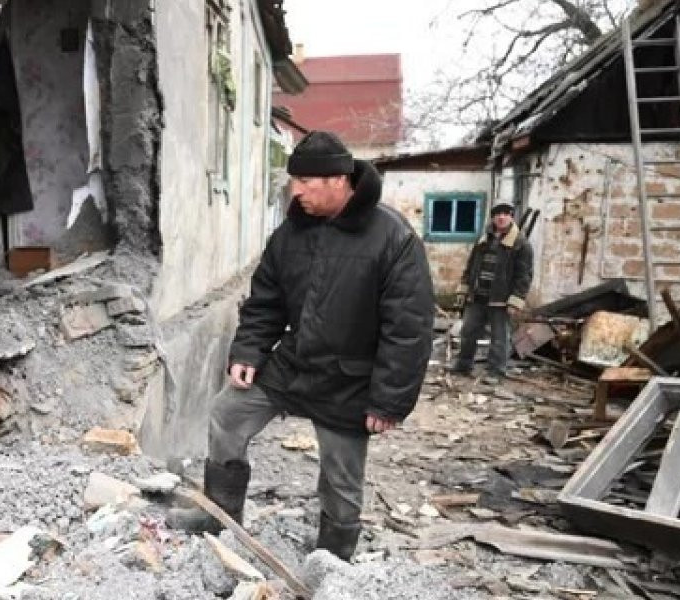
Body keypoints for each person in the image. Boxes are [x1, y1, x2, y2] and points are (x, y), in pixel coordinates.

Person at [167, 131, 435, 561]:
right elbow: (265, 301)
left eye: (305, 182)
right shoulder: (290, 235)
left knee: (341, 478)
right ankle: (220, 514)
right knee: (227, 414)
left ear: (338, 180)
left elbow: (409, 329)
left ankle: (332, 558)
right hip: (293, 365)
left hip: (350, 379)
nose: (296, 191)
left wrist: (389, 401)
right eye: (295, 180)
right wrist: (248, 351)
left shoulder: (393, 238)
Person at [451, 203, 533, 383]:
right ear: (493, 218)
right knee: (468, 331)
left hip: (501, 299)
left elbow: (524, 276)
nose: (501, 217)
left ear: (511, 217)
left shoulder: (520, 244)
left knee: (499, 337)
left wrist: (516, 300)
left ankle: (496, 372)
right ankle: (463, 365)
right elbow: (471, 267)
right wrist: (464, 289)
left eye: (505, 214)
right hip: (477, 295)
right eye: (497, 214)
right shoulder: (483, 240)